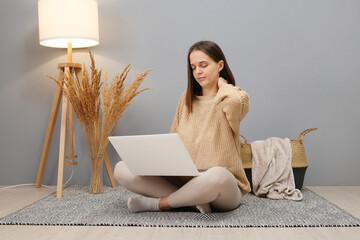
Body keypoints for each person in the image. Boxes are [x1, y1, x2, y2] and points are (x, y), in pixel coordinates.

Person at [113, 40, 250, 214]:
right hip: (185, 181)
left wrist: (222, 84)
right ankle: (192, 201)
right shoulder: (186, 99)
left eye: (203, 65)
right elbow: (172, 142)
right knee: (122, 168)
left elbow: (235, 102)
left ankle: (159, 204)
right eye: (193, 67)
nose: (198, 72)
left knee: (217, 175)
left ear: (220, 65)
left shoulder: (232, 97)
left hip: (221, 189)